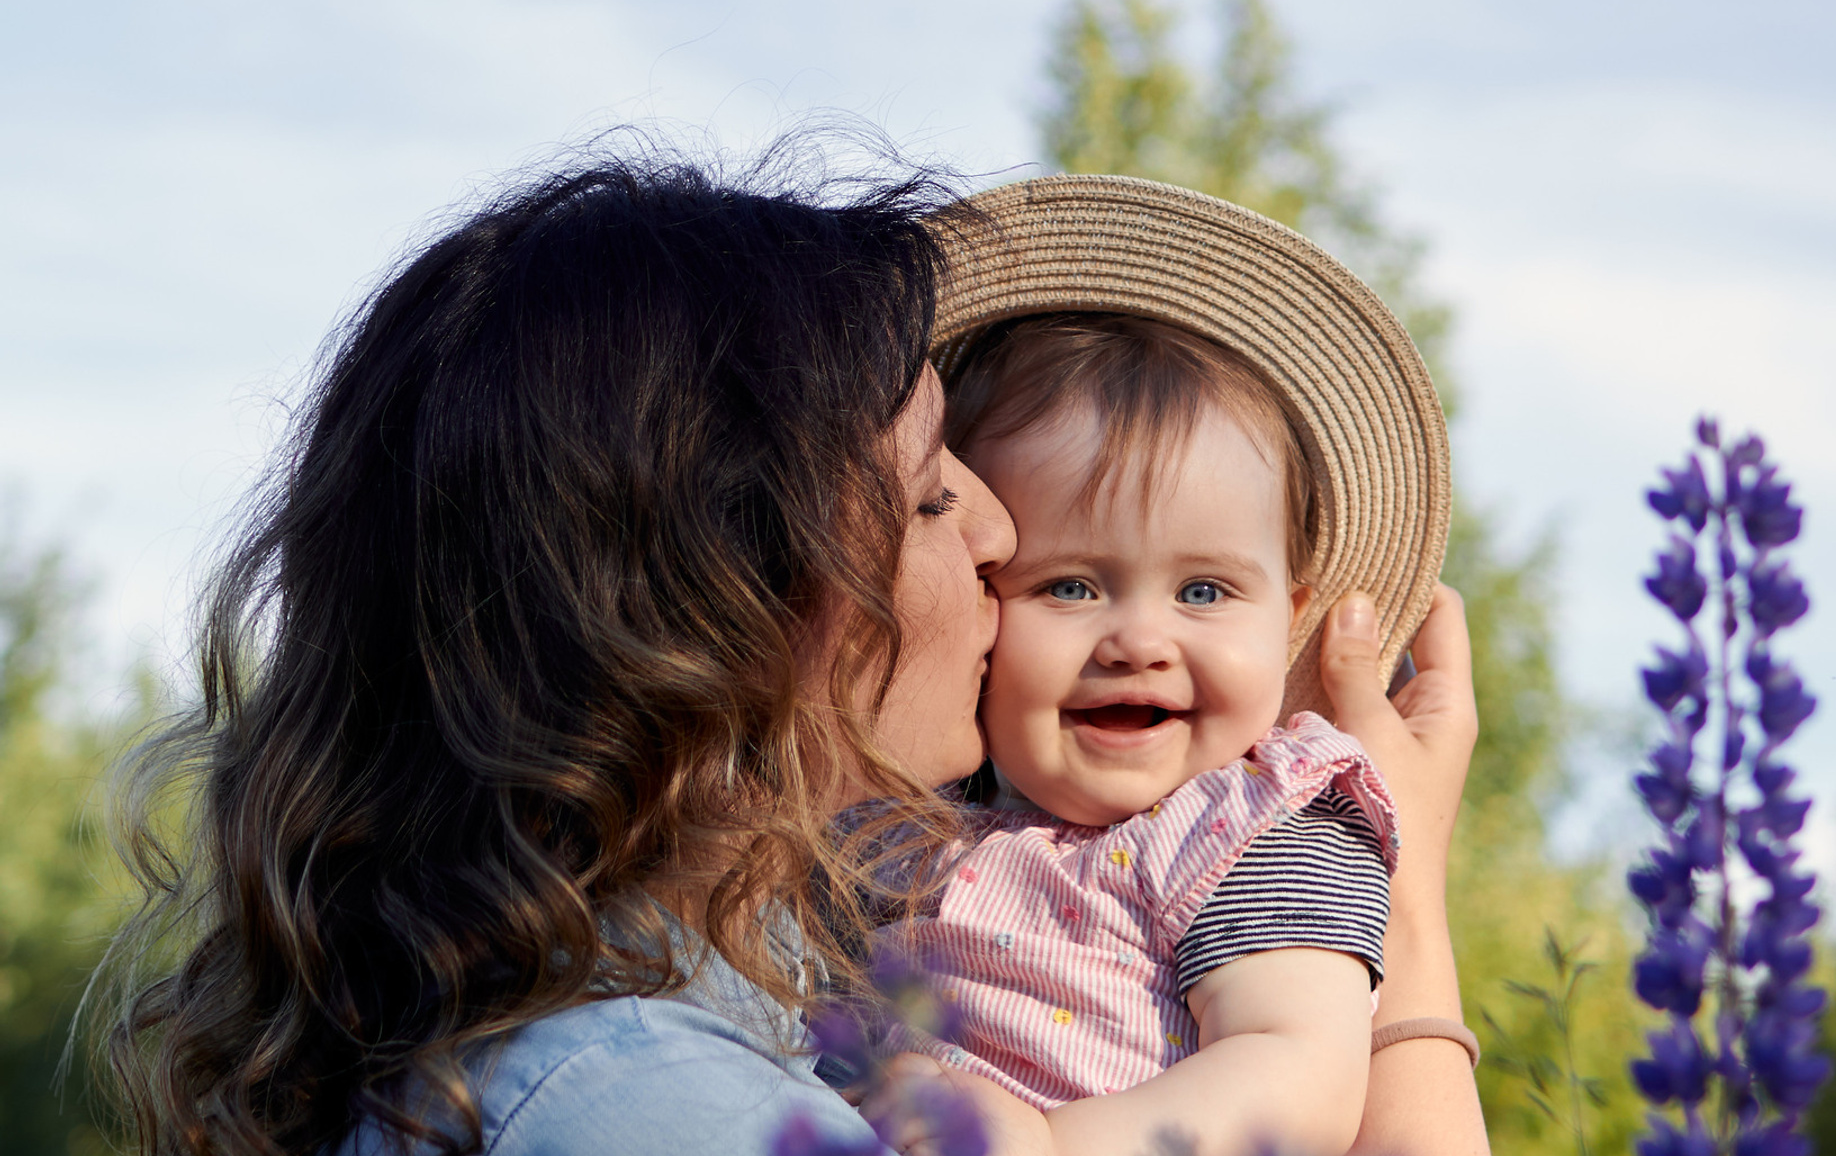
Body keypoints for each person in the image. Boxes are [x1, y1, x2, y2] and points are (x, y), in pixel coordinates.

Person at [100, 146, 1488, 1156]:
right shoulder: (647, 1100)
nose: (1004, 535)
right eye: (933, 495)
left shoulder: (732, 987)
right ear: (723, 600)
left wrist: (1378, 886)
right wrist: (1410, 919)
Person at [858, 177, 1476, 1156]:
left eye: (1203, 591)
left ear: (1290, 623)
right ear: (981, 596)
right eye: (1070, 586)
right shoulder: (902, 821)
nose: (1138, 641)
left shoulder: (1249, 831)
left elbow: (1296, 1074)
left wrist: (1053, 1145)